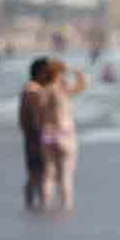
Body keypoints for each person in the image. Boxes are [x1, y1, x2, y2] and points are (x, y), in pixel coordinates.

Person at [38, 57, 88, 211]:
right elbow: (82, 86)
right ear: (59, 73)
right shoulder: (62, 88)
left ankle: (45, 205)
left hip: (47, 134)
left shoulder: (44, 90)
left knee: (49, 174)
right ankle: (66, 207)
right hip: (65, 133)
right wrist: (78, 73)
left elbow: (40, 113)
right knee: (66, 175)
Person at [18, 56, 51, 209]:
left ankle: (32, 205)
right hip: (36, 138)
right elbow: (36, 118)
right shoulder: (33, 91)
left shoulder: (29, 89)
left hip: (31, 137)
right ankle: (39, 206)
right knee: (41, 174)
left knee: (34, 174)